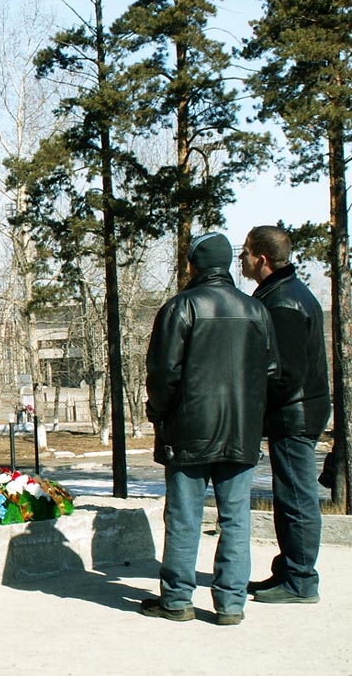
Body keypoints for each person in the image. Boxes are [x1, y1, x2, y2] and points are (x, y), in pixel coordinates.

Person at [143, 232, 278, 626]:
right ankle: (232, 605)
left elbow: (163, 373)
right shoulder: (256, 310)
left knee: (184, 515)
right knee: (236, 517)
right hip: (241, 430)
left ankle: (177, 600)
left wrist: (160, 413)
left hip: (189, 430)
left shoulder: (181, 307)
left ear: (193, 265)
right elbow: (272, 370)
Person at [239, 225, 330, 604]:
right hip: (297, 411)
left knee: (296, 497)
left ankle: (301, 580)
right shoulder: (285, 294)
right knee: (291, 495)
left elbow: (287, 373)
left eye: (244, 253)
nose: (240, 260)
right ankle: (290, 569)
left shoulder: (283, 302)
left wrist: (255, 405)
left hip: (295, 414)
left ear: (261, 258)